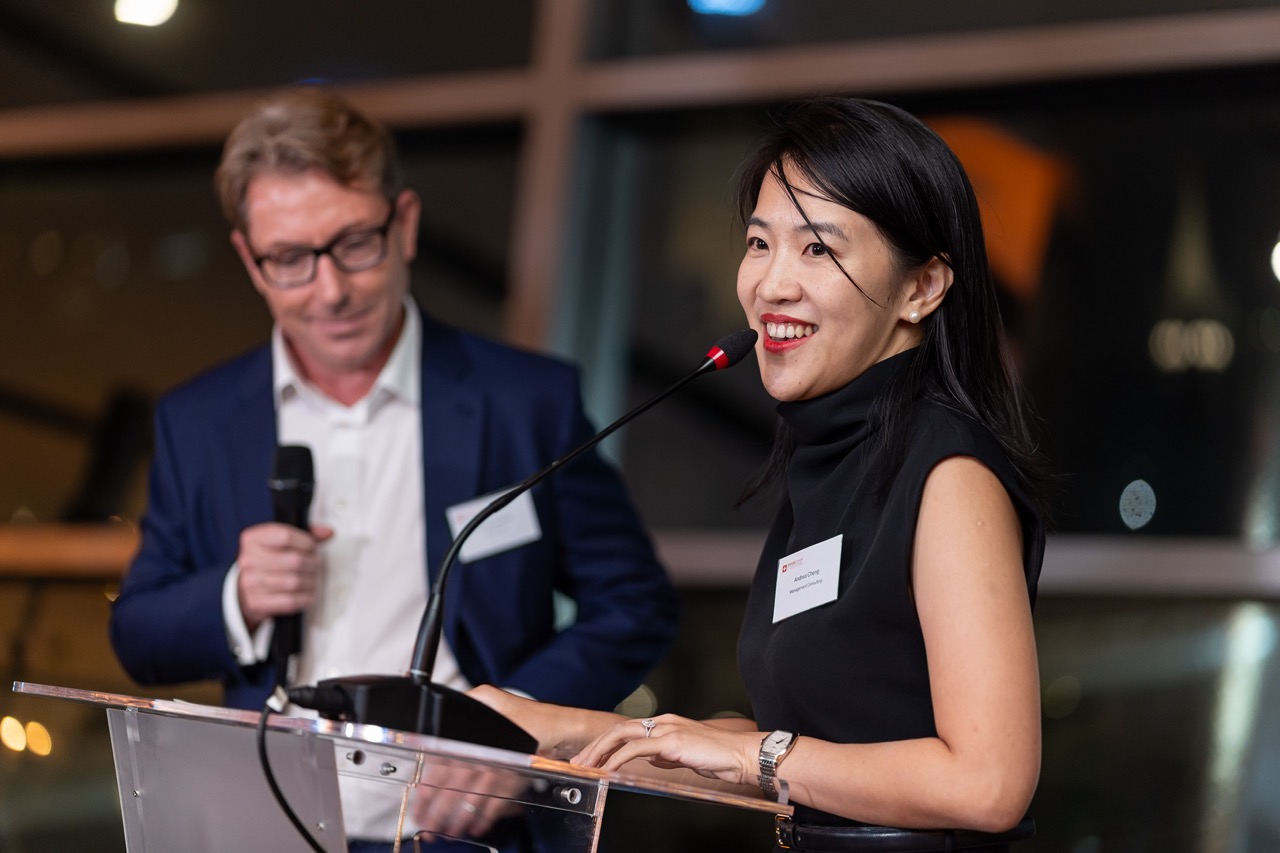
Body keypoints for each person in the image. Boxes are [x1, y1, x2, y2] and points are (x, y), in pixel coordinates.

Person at [468, 96, 1048, 852]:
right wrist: (563, 727)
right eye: (759, 243)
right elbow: (814, 757)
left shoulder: (949, 471)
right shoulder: (834, 458)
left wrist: (754, 753)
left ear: (923, 288)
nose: (771, 284)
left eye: (817, 250)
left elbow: (989, 785)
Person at [108, 86, 679, 852]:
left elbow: (635, 600)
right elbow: (138, 633)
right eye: (290, 259)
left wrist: (516, 726)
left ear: (403, 223)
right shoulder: (199, 419)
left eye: (354, 243)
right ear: (250, 260)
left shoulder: (523, 401)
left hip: (463, 838)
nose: (331, 290)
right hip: (262, 830)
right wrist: (235, 596)